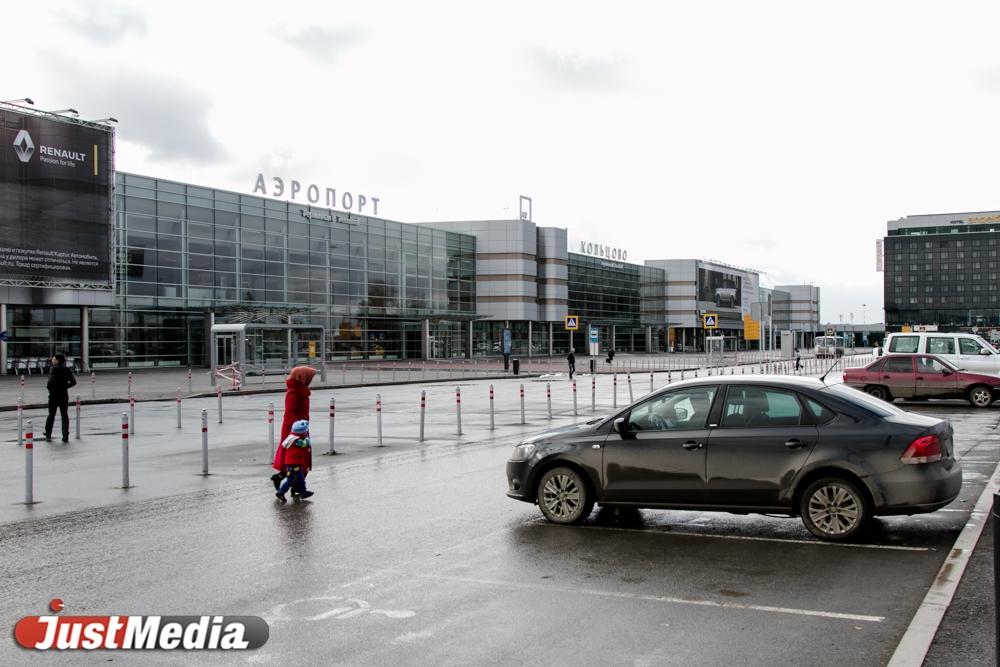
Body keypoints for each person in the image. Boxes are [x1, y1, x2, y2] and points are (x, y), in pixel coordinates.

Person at [271, 366, 317, 491]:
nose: (311, 380)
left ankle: (290, 482)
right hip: (294, 429)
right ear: (302, 377)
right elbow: (289, 412)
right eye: (309, 377)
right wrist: (298, 428)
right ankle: (293, 484)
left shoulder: (301, 390)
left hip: (300, 427)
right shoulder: (293, 392)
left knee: (299, 455)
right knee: (295, 456)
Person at [274, 419, 314, 502]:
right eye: (306, 431)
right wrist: (307, 437)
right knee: (290, 480)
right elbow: (306, 443)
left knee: (300, 478)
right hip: (294, 463)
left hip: (293, 463)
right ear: (302, 432)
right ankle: (281, 493)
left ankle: (303, 492)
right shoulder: (296, 440)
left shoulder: (292, 437)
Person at [44, 354, 76, 442]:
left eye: (54, 359)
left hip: (54, 395)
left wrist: (51, 390)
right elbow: (73, 382)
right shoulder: (67, 370)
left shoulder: (53, 369)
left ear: (57, 361)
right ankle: (65, 435)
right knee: (64, 415)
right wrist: (65, 387)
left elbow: (49, 383)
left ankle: (48, 433)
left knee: (51, 415)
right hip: (63, 395)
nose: (52, 360)